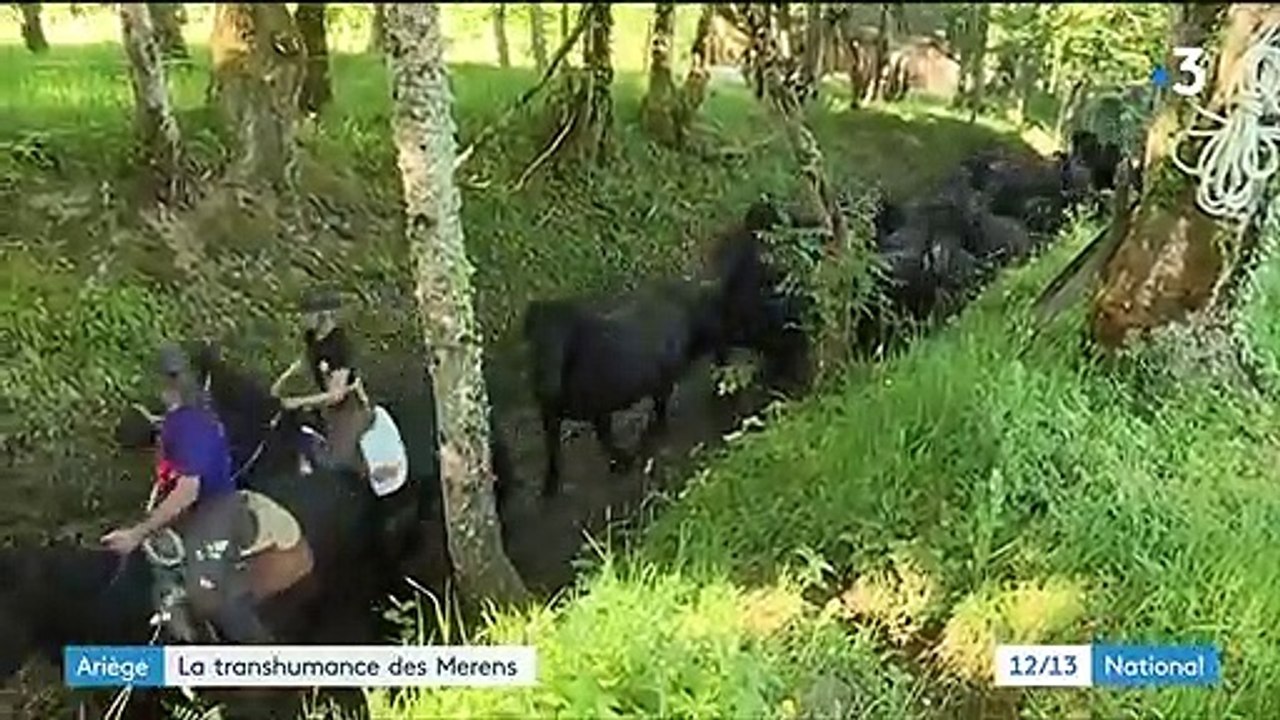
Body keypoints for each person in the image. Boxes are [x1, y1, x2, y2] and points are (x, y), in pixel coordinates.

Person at [102, 343, 274, 644]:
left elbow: (187, 490)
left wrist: (136, 534)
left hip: (216, 508)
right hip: (192, 510)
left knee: (205, 593)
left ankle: (262, 655)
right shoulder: (177, 419)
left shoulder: (190, 424)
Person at [271, 289, 373, 477]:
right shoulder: (312, 336)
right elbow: (305, 359)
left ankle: (361, 462)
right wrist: (283, 379)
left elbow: (335, 395)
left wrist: (297, 401)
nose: (302, 319)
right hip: (329, 406)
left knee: (332, 458)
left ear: (323, 316)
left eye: (306, 315)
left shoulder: (339, 348)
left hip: (347, 410)